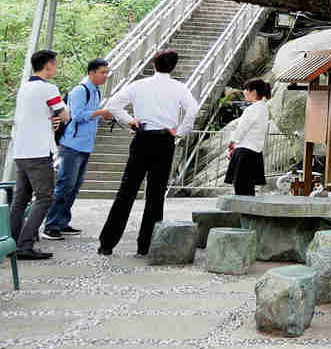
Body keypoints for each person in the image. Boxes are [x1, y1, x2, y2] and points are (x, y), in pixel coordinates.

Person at [97, 49, 199, 256]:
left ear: (154, 64)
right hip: (164, 140)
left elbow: (113, 105)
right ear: (174, 66)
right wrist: (179, 132)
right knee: (156, 194)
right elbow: (193, 110)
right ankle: (146, 244)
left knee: (127, 191)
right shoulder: (179, 88)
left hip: (142, 137)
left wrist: (130, 120)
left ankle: (107, 243)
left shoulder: (138, 85)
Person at [42, 58, 112, 240]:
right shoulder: (80, 90)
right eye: (102, 72)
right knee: (65, 184)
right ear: (92, 73)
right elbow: (77, 115)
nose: (106, 76)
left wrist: (101, 116)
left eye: (106, 72)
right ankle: (51, 225)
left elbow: (90, 116)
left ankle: (63, 222)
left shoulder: (95, 91)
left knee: (74, 186)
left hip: (85, 145)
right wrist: (100, 112)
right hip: (72, 145)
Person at [9, 50, 69, 260]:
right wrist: (57, 119)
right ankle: (25, 245)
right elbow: (65, 115)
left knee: (21, 198)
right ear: (48, 66)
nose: (56, 67)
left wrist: (50, 120)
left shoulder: (24, 87)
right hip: (38, 151)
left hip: (21, 150)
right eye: (55, 64)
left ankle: (11, 242)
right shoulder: (48, 88)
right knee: (44, 197)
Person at [224, 79, 272, 196]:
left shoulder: (251, 109)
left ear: (253, 92)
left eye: (246, 89)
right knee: (249, 188)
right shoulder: (264, 108)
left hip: (244, 151)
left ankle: (240, 213)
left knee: (240, 187)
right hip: (255, 152)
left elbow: (241, 130)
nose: (244, 92)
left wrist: (231, 144)